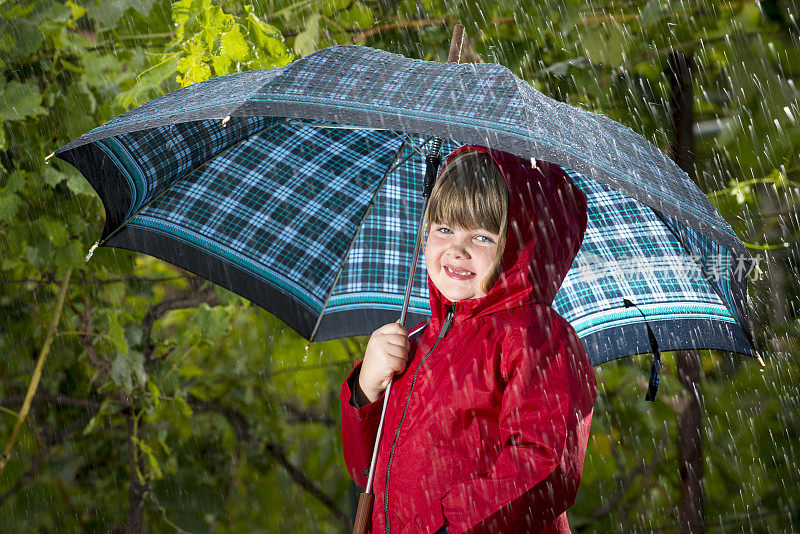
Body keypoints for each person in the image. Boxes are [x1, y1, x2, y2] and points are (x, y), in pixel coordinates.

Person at [340, 145, 597, 533]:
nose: (456, 249)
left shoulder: (536, 338)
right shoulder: (418, 342)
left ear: (520, 246)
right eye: (444, 228)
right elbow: (368, 471)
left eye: (482, 237)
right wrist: (366, 391)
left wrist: (449, 526)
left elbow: (542, 464)